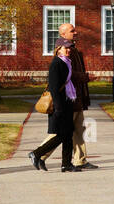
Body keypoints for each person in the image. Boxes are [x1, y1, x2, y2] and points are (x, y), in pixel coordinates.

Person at [35, 22, 96, 169]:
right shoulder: (64, 53)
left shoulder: (72, 49)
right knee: (62, 133)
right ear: (63, 35)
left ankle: (79, 160)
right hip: (69, 99)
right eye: (72, 31)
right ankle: (39, 154)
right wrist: (85, 77)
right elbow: (69, 75)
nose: (75, 33)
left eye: (75, 30)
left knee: (78, 130)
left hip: (76, 97)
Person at [29, 40, 80, 172]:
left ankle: (66, 164)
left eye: (70, 48)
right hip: (59, 105)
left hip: (67, 102)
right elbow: (53, 87)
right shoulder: (56, 63)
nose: (68, 50)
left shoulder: (67, 63)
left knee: (68, 134)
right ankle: (36, 153)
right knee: (62, 135)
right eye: (66, 48)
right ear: (58, 49)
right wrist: (58, 107)